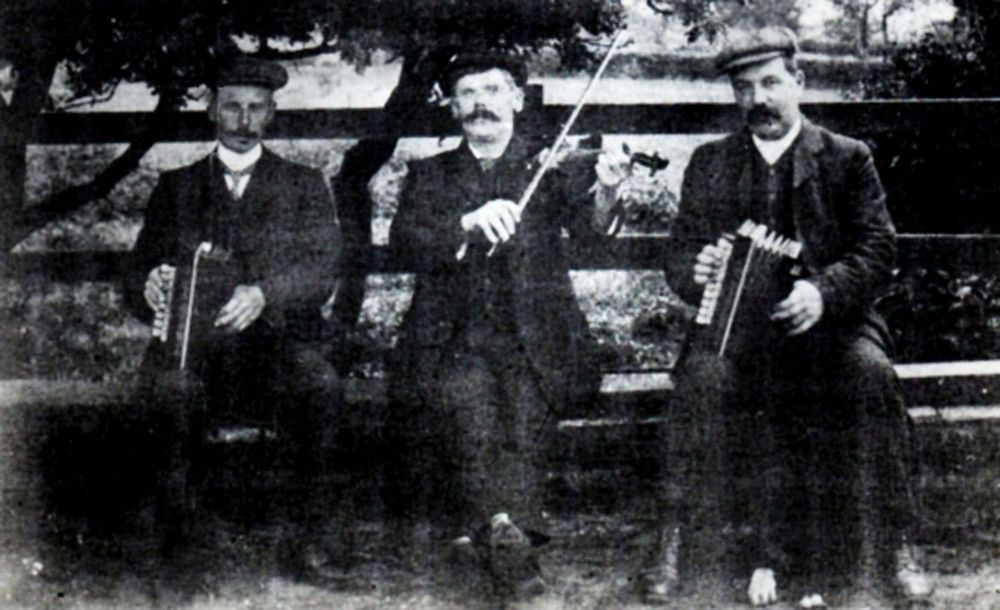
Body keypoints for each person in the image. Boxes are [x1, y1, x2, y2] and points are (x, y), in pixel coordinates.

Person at [640, 27, 935, 608]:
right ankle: (670, 539)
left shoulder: (848, 158)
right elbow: (678, 253)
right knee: (700, 382)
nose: (760, 100)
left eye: (772, 83)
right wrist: (694, 268)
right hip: (734, 333)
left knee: (869, 374)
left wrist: (824, 292)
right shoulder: (710, 162)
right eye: (745, 88)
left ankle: (901, 541)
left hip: (834, 326)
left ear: (799, 83)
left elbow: (878, 250)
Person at [385, 50, 629, 599]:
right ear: (452, 107)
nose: (481, 104)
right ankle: (510, 538)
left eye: (494, 90)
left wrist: (608, 190)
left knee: (521, 410)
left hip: (538, 340)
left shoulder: (552, 167)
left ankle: (489, 533)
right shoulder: (431, 174)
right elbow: (406, 242)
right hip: (451, 339)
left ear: (517, 99)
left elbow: (593, 237)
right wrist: (465, 224)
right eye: (467, 93)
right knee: (469, 404)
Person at [122, 56, 343, 582]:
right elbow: (135, 273)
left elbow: (322, 272)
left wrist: (267, 293)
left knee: (318, 385)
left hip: (277, 347)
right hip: (191, 351)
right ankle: (181, 543)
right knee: (167, 393)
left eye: (256, 109)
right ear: (211, 111)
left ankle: (308, 540)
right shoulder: (177, 186)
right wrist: (149, 285)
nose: (244, 121)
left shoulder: (304, 184)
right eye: (232, 108)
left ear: (272, 114)